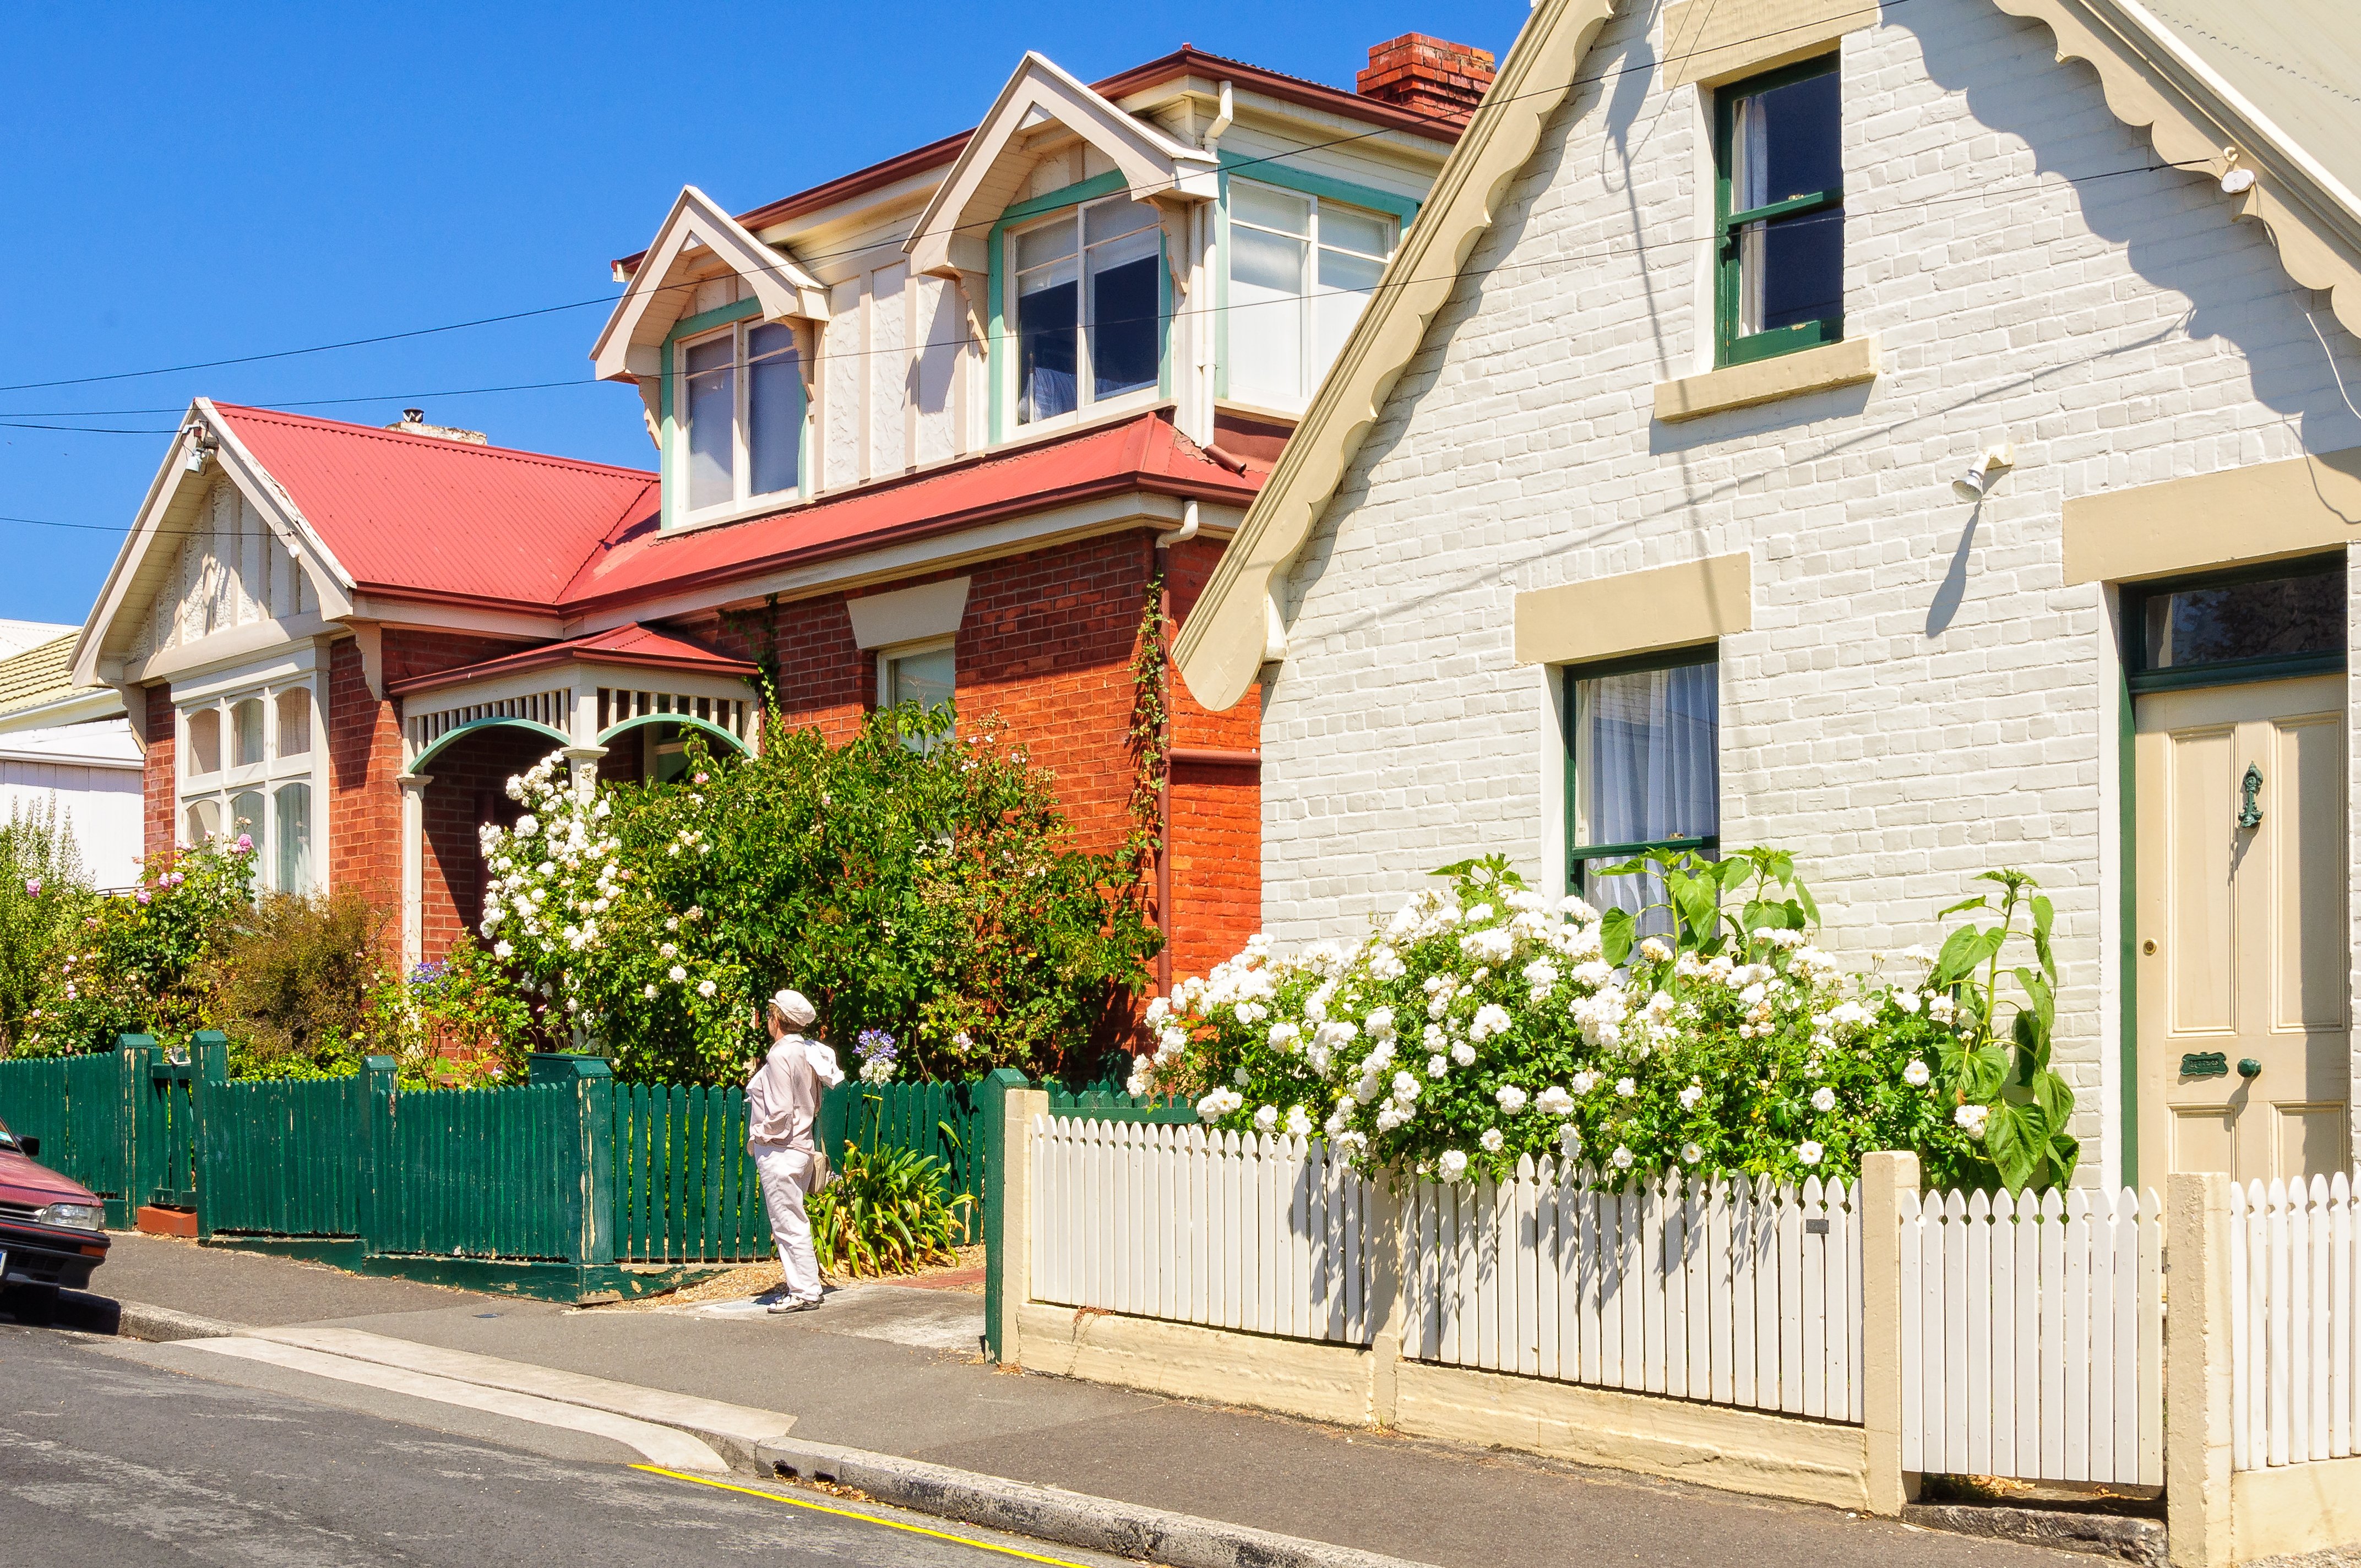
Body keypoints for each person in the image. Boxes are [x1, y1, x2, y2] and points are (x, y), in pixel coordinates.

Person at [746, 989, 843, 1313]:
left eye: (770, 1015)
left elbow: (780, 1113)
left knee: (788, 1223)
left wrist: (757, 1133)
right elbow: (812, 1104)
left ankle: (804, 1291)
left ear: (777, 1019)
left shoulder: (779, 1055)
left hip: (780, 1151)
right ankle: (805, 1288)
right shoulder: (808, 1052)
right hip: (802, 1147)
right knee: (794, 1220)